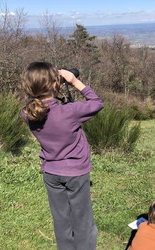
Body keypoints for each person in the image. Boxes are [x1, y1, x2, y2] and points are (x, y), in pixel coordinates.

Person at [20, 61, 104, 250]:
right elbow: (97, 103)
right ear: (56, 84)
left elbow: (46, 107)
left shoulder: (27, 113)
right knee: (83, 221)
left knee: (62, 220)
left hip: (51, 173)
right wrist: (74, 81)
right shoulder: (69, 112)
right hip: (75, 172)